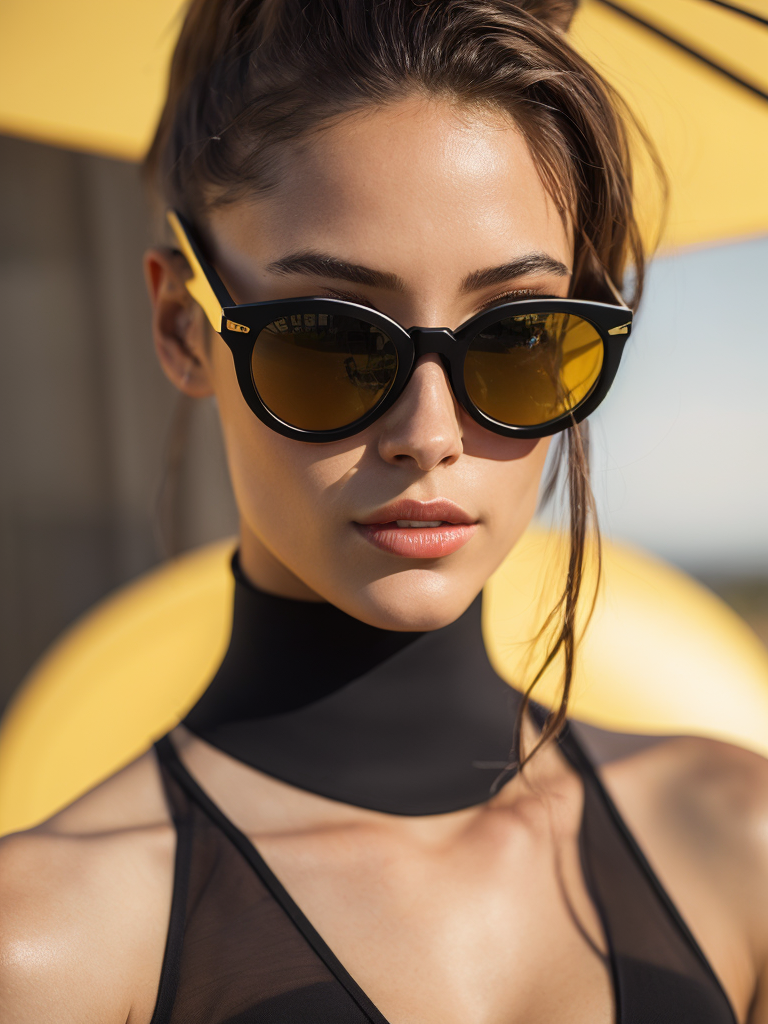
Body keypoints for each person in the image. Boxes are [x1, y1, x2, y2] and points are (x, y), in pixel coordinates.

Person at [1, 1, 767, 1021]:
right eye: (333, 339)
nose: (430, 432)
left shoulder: (739, 840)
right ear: (183, 326)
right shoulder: (48, 944)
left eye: (519, 335)